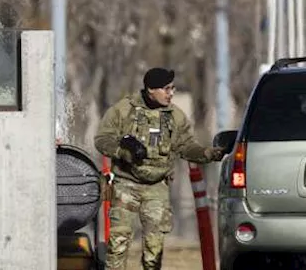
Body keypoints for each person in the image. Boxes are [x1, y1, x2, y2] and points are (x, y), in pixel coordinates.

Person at [95, 67, 226, 270]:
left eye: (172, 88)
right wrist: (123, 152)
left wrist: (209, 153)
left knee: (153, 250)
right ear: (150, 90)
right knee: (118, 245)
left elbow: (186, 146)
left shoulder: (175, 116)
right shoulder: (123, 110)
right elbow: (102, 139)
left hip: (157, 187)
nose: (171, 93)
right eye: (166, 89)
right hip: (125, 185)